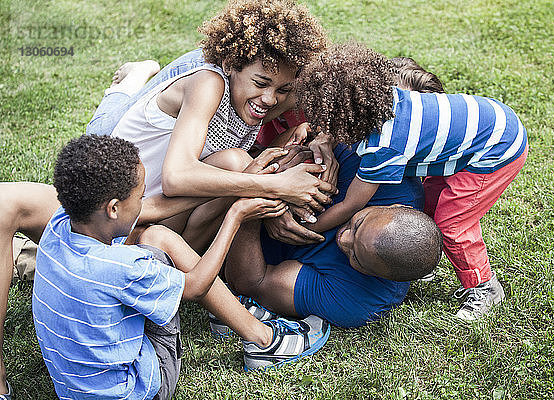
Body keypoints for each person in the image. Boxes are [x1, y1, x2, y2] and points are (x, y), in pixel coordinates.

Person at [33, 135, 330, 399]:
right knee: (161, 237)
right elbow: (196, 285)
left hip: (74, 388)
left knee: (154, 234)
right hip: (134, 389)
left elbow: (152, 210)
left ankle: (227, 313)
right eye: (139, 196)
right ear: (112, 208)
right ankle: (265, 341)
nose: (143, 202)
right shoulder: (122, 270)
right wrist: (235, 214)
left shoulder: (60, 223)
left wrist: (241, 182)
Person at [295, 43, 528, 320]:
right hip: (487, 123)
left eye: (327, 122)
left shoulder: (383, 146)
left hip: (497, 148)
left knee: (451, 222)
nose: (322, 126)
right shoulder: (381, 98)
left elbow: (350, 204)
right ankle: (418, 257)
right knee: (429, 202)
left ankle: (484, 286)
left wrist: (306, 230)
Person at [86, 0, 337, 248]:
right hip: (127, 187)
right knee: (101, 130)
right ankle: (133, 78)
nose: (271, 99)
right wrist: (276, 187)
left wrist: (324, 137)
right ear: (230, 65)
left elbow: (339, 100)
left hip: (160, 205)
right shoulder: (209, 83)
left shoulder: (271, 94)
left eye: (283, 89)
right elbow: (176, 178)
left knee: (235, 164)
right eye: (260, 83)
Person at [221, 143, 442, 328]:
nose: (343, 239)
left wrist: (256, 210)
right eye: (358, 224)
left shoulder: (359, 299)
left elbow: (252, 282)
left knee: (238, 166)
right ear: (393, 206)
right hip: (239, 170)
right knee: (236, 161)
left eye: (355, 257)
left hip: (222, 242)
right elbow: (316, 143)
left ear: (379, 276)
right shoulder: (390, 182)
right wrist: (291, 173)